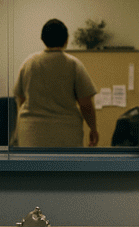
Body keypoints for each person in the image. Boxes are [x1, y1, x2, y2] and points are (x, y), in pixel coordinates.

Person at [13, 18, 99, 147]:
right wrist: (93, 128)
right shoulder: (74, 65)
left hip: (32, 133)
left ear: (42, 39)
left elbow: (21, 99)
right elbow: (85, 103)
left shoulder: (29, 63)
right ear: (66, 40)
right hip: (66, 134)